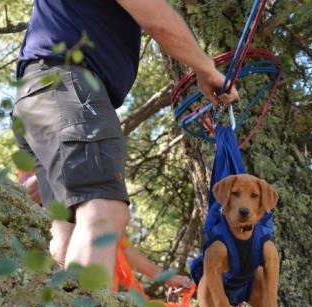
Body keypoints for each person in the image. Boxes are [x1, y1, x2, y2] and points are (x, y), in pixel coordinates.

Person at [12, 0, 238, 281]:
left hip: (41, 95)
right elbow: (158, 21)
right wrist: (207, 69)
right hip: (68, 85)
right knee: (103, 208)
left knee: (66, 229)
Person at [17, 171, 192, 289]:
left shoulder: (95, 197)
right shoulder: (37, 165)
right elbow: (25, 195)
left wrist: (163, 276)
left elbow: (119, 244)